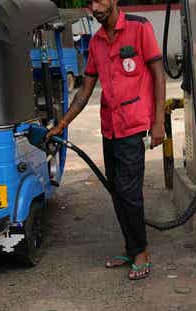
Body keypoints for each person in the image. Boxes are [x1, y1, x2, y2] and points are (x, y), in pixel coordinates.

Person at [46, 0, 166, 280]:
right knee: (116, 190)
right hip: (110, 127)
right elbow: (85, 91)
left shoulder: (139, 27)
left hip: (134, 125)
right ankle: (130, 246)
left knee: (129, 192)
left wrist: (159, 122)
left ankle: (141, 253)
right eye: (90, 3)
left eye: (99, 1)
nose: (94, 7)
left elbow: (159, 74)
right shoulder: (97, 41)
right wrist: (61, 124)